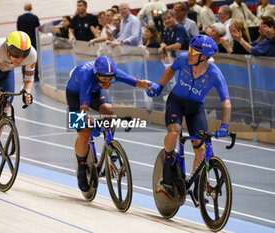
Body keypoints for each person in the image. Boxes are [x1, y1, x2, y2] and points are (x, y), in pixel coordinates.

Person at [148, 35, 231, 200]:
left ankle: (196, 185)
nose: (189, 53)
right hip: (176, 102)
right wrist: (160, 85)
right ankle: (168, 159)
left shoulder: (215, 73)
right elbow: (171, 70)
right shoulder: (183, 59)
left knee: (201, 148)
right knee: (175, 131)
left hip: (195, 108)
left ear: (204, 57)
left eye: (193, 51)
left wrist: (224, 125)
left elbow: (226, 101)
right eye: (190, 49)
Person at [66, 56, 157, 192]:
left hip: (96, 92)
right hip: (75, 95)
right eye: (104, 80)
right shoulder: (87, 76)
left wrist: (149, 85)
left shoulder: (110, 74)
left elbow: (136, 82)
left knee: (109, 112)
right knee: (84, 133)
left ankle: (109, 144)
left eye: (110, 79)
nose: (108, 83)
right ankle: (81, 169)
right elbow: (84, 106)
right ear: (96, 75)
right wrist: (87, 117)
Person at [17, 2, 40, 82]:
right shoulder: (34, 18)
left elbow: (18, 30)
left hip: (23, 41)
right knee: (34, 57)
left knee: (23, 57)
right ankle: (35, 75)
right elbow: (37, 29)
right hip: (33, 41)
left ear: (24, 8)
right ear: (31, 8)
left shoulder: (20, 18)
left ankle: (24, 74)